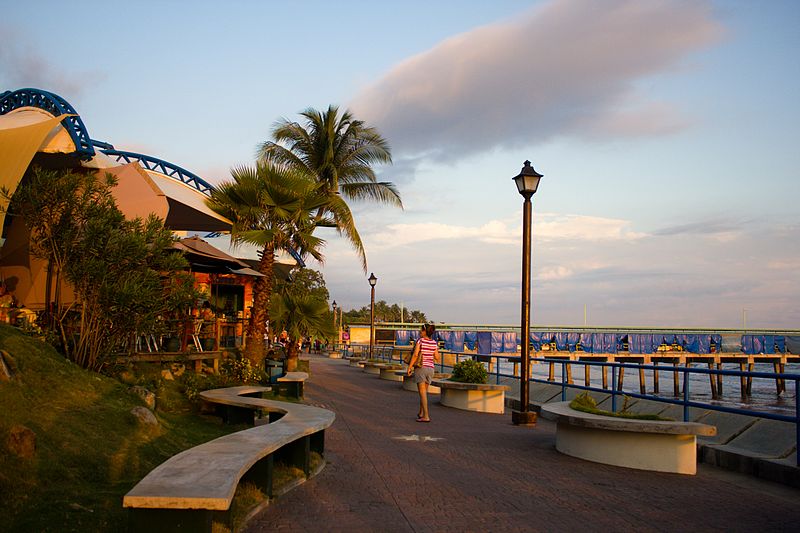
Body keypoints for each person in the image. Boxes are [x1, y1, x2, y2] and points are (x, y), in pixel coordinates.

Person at [406, 323, 439, 422]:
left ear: (425, 332)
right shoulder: (434, 343)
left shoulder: (420, 341)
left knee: (422, 393)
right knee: (424, 392)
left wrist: (410, 367)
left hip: (421, 368)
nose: (420, 332)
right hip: (430, 369)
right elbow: (437, 357)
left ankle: (426, 416)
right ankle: (421, 413)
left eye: (421, 330)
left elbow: (415, 355)